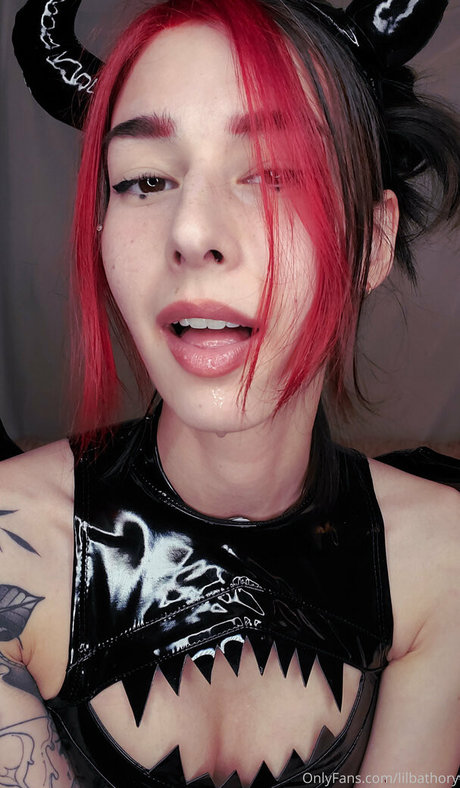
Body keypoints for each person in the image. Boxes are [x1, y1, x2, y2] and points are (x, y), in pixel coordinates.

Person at [1, 0, 460, 785]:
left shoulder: (443, 560)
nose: (192, 232)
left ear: (371, 242)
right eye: (146, 180)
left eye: (275, 175)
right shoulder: (13, 549)